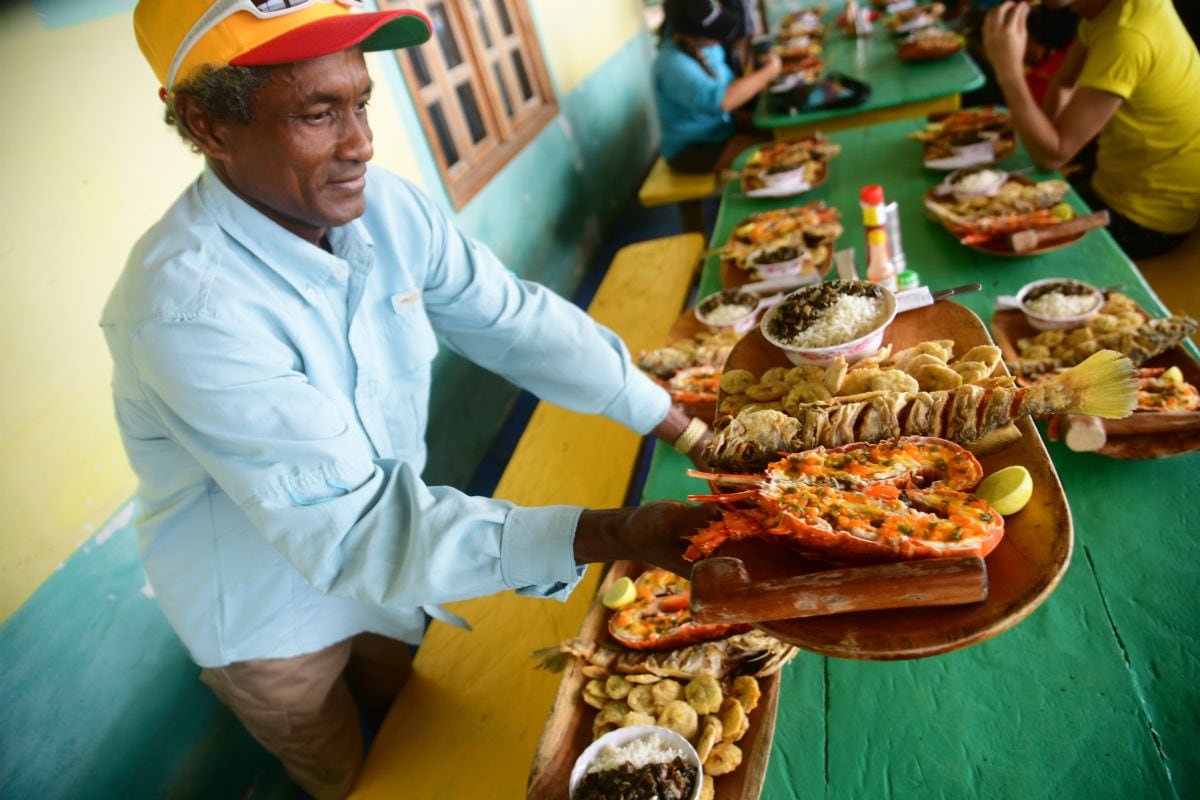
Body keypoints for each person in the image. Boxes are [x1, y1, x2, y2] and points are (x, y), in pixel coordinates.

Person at [103, 2, 721, 797]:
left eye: (359, 102)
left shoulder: (382, 206)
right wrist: (621, 532)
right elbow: (358, 530)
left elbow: (511, 320)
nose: (359, 141)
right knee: (356, 773)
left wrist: (681, 425)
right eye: (317, 114)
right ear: (210, 127)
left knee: (414, 706)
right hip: (270, 619)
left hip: (394, 561)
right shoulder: (183, 310)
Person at [982, 0, 1200, 260]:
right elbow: (1063, 84)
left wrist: (1008, 71)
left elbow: (1053, 155)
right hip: (1114, 186)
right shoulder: (1105, 10)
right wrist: (1040, 139)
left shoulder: (1127, 35)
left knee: (994, 246)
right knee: (988, 208)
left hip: (1145, 219)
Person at [653, 0, 783, 174]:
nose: (718, 38)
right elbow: (721, 101)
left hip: (721, 130)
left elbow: (728, 83)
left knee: (779, 134)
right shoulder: (672, 64)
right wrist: (770, 70)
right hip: (692, 148)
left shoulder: (704, 47)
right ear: (689, 34)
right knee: (774, 151)